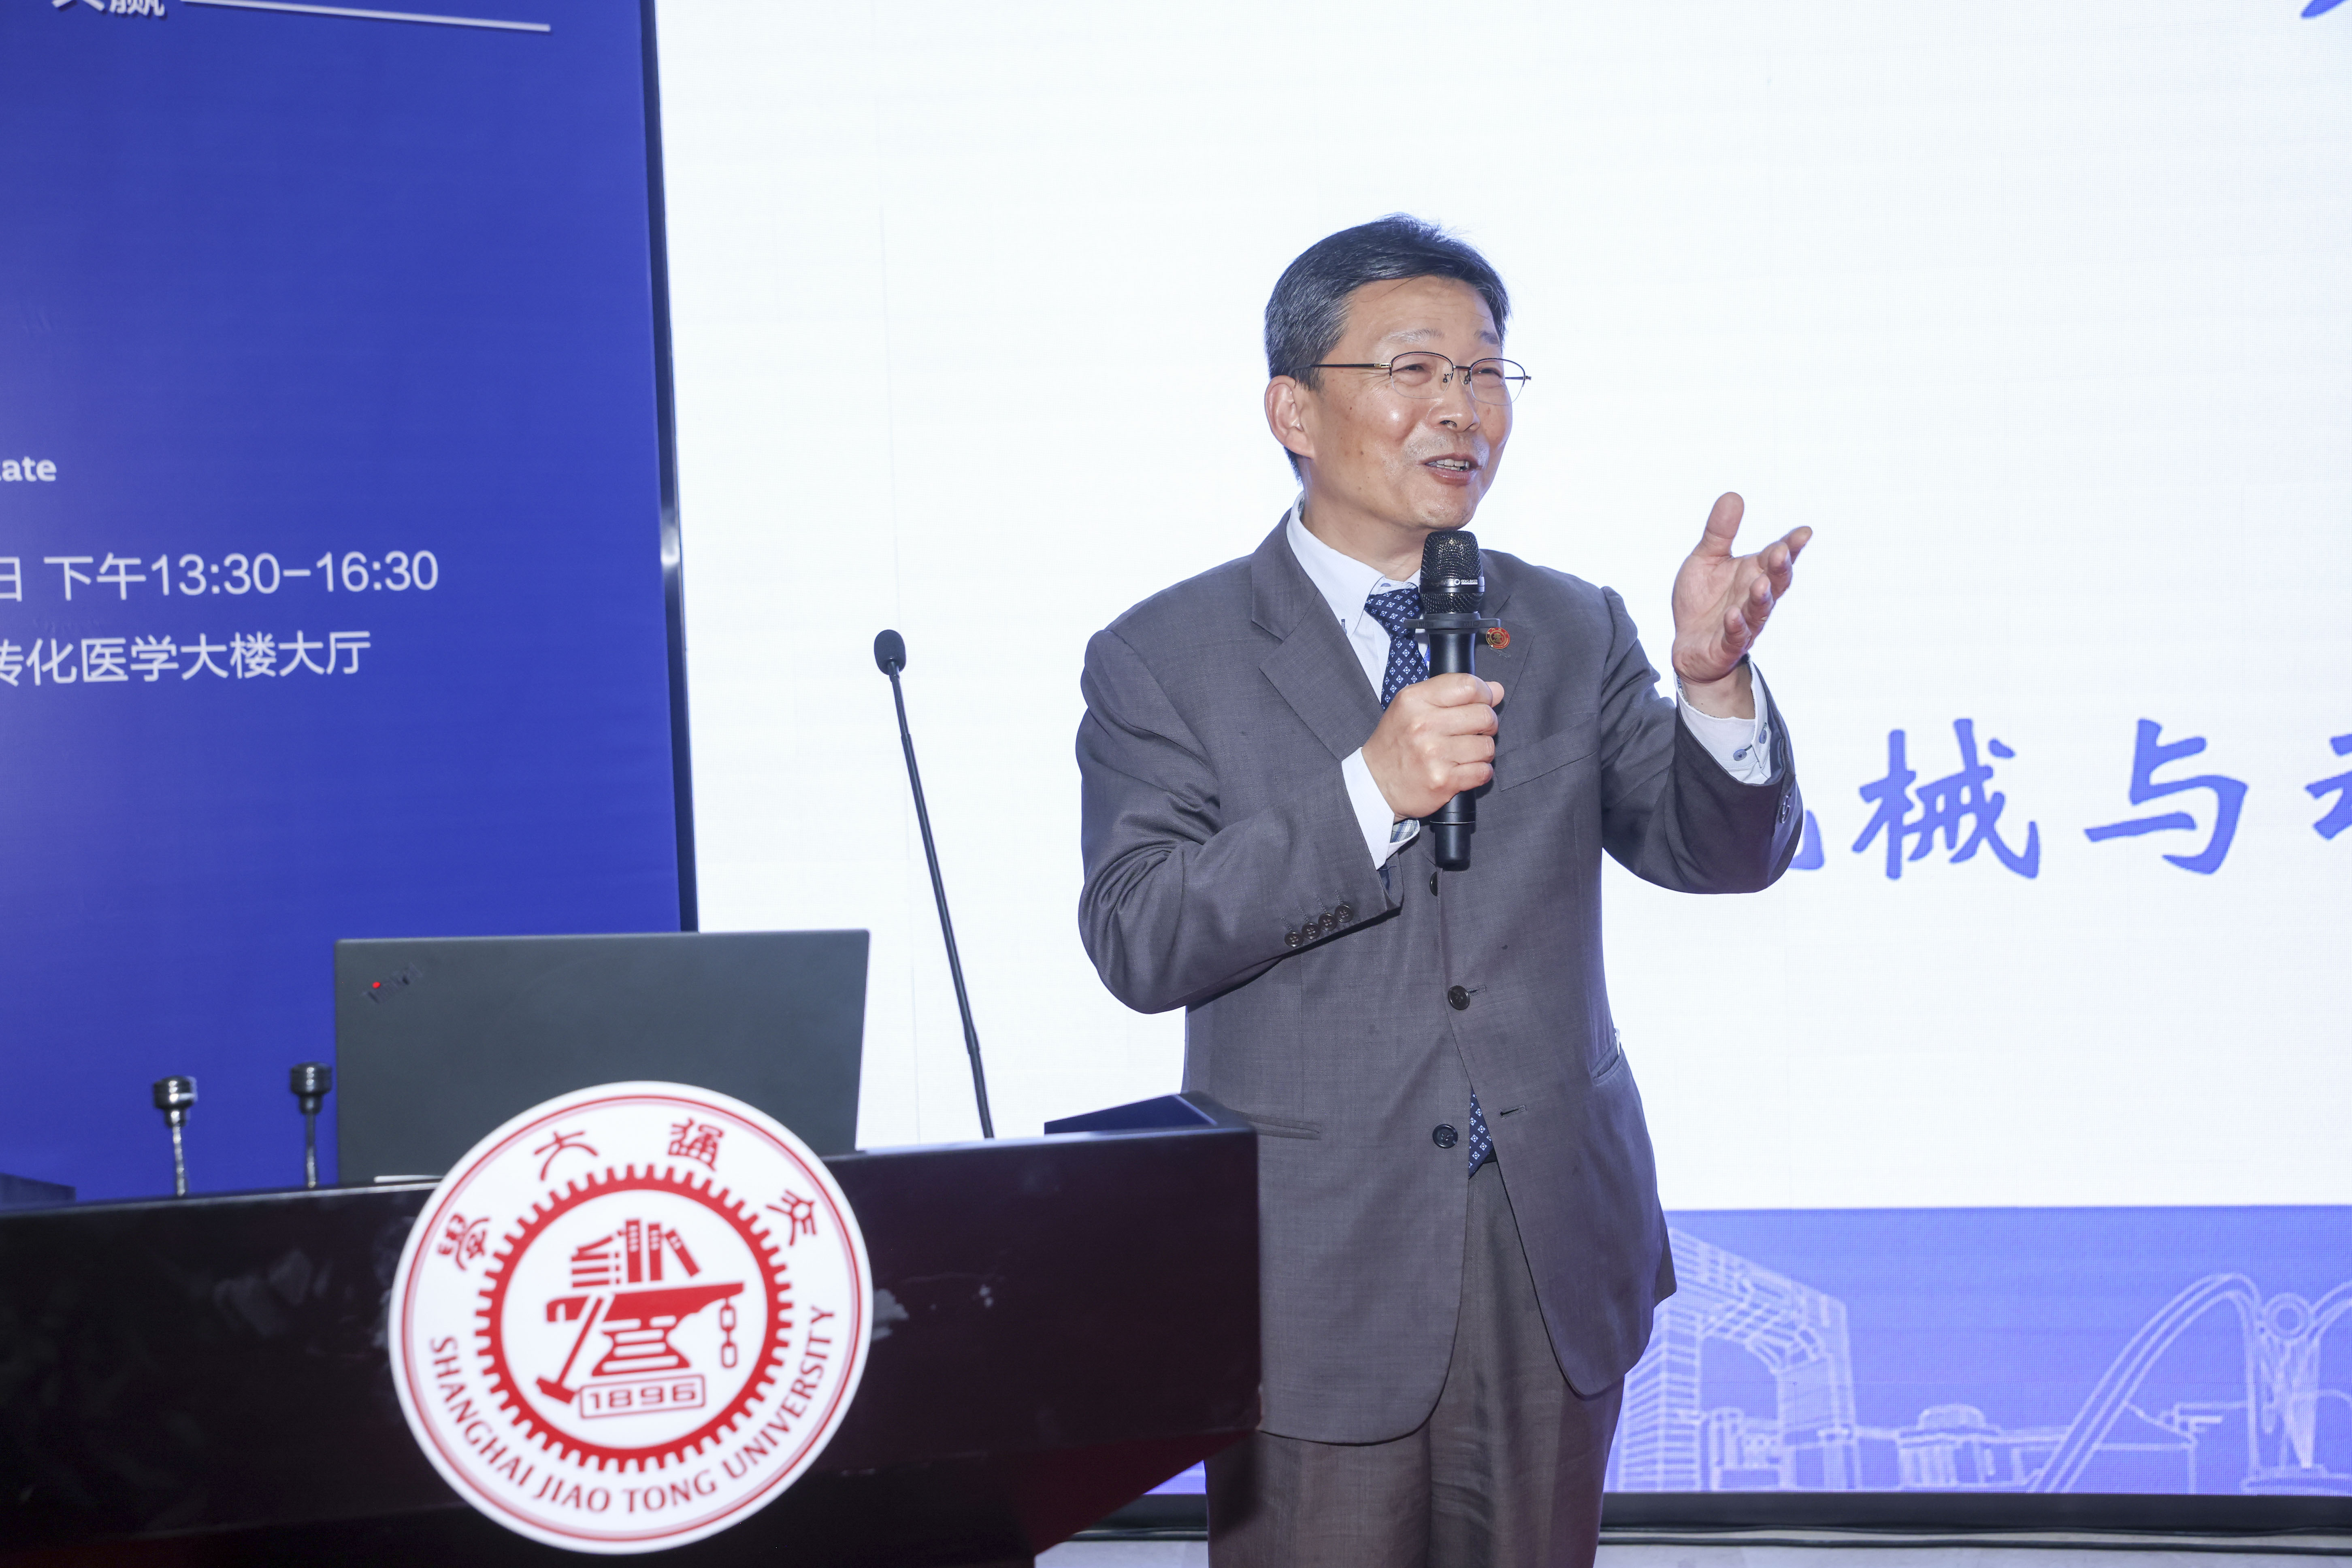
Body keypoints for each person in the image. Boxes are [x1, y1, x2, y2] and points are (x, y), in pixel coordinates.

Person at [1074, 215, 1811, 1567]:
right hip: (1313, 1265)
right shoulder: (1166, 654)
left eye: (1485, 372)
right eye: (1415, 370)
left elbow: (1718, 853)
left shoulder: (1570, 622)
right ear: (1295, 410)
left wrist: (1713, 689)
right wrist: (1367, 793)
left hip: (1548, 1244)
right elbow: (1140, 933)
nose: (1462, 410)